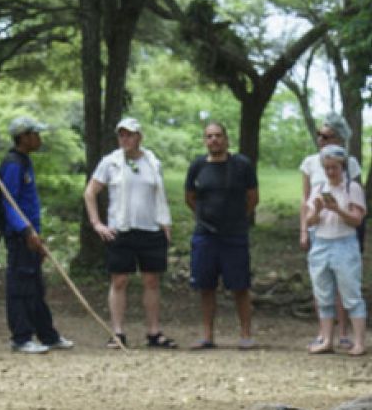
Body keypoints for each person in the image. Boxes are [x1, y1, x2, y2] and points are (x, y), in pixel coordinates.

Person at [83, 117, 175, 349]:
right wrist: (96, 223)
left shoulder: (152, 161)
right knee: (120, 280)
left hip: (150, 228)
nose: (125, 138)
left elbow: (158, 194)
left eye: (130, 134)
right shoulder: (110, 162)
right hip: (120, 229)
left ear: (139, 137)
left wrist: (165, 222)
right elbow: (90, 192)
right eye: (121, 135)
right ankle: (118, 332)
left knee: (152, 280)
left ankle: (154, 332)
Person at [0, 115, 73, 354]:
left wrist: (37, 235)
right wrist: (25, 231)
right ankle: (21, 338)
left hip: (32, 235)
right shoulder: (13, 164)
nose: (39, 139)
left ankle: (47, 335)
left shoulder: (24, 161)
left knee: (36, 288)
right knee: (20, 287)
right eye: (35, 134)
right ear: (23, 137)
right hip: (21, 236)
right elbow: (8, 202)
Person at [184, 121, 259, 350]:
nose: (214, 140)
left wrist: (238, 219)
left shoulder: (241, 165)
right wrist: (203, 216)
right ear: (204, 140)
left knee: (240, 286)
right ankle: (208, 335)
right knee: (205, 286)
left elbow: (253, 198)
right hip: (205, 235)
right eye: (209, 136)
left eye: (218, 136)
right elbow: (190, 197)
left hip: (234, 235)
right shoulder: (197, 166)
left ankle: (245, 334)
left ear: (226, 139)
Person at [299, 113, 363, 349]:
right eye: (318, 135)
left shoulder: (351, 165)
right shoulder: (310, 163)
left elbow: (354, 197)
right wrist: (305, 228)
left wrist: (340, 210)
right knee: (323, 285)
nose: (321, 139)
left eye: (326, 135)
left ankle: (345, 332)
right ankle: (325, 334)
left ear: (339, 137)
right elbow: (305, 200)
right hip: (320, 233)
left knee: (346, 283)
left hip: (344, 233)